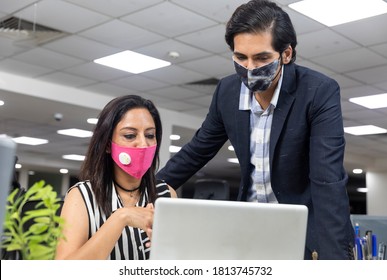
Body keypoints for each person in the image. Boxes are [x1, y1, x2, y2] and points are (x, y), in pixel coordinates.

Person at [157, 0, 354, 260]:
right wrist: (145, 190)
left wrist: (336, 263)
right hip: (250, 231)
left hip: (305, 232)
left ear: (286, 54)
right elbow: (196, 152)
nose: (249, 68)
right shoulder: (227, 92)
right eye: (240, 57)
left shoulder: (318, 92)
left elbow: (327, 180)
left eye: (262, 58)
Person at [56, 95, 177, 260]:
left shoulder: (167, 194)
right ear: (107, 145)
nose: (143, 144)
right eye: (130, 136)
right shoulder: (82, 195)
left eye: (150, 135)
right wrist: (122, 217)